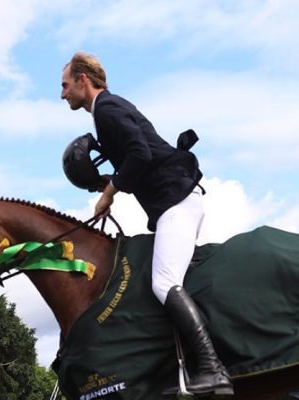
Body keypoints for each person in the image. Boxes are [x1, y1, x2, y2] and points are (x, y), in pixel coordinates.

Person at [60, 51, 233, 396]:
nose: (62, 93)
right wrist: (109, 182)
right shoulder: (108, 109)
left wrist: (110, 192)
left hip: (177, 200)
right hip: (175, 199)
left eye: (65, 85)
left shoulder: (106, 109)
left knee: (163, 283)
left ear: (83, 80)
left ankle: (214, 370)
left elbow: (141, 153)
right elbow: (137, 160)